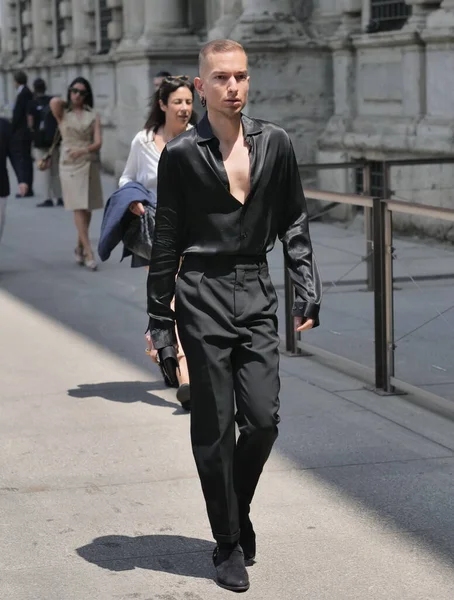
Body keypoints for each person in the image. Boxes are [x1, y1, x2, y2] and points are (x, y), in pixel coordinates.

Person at [146, 39, 322, 592]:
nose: (233, 87)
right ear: (201, 87)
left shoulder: (276, 142)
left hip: (256, 288)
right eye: (221, 78)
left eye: (241, 76)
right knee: (215, 426)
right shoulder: (181, 155)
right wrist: (160, 322)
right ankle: (226, 544)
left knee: (263, 420)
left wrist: (305, 284)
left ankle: (235, 509)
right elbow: (167, 239)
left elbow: (294, 217)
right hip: (201, 290)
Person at [121, 75, 196, 410]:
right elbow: (127, 177)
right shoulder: (144, 140)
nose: (184, 108)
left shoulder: (200, 137)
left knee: (182, 300)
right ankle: (184, 373)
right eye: (177, 102)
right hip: (158, 235)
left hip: (194, 232)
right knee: (171, 299)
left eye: (189, 102)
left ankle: (172, 357)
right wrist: (133, 199)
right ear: (163, 105)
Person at [50, 77, 103, 270]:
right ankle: (89, 251)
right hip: (69, 163)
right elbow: (53, 102)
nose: (77, 95)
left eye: (81, 92)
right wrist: (67, 100)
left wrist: (84, 150)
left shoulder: (93, 115)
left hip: (87, 160)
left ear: (87, 95)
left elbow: (98, 142)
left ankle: (79, 246)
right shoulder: (63, 113)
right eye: (74, 91)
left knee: (87, 208)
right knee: (78, 207)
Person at [27, 78, 63, 208]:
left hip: (40, 142)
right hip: (53, 141)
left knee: (44, 171)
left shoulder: (31, 104)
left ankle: (47, 198)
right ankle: (59, 197)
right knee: (56, 171)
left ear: (35, 89)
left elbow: (30, 123)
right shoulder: (52, 100)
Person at [10, 70, 34, 198]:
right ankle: (27, 187)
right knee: (25, 159)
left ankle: (26, 188)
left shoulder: (24, 93)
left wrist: (11, 129)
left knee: (23, 160)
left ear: (17, 81)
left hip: (22, 132)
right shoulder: (25, 92)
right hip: (23, 132)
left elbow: (19, 114)